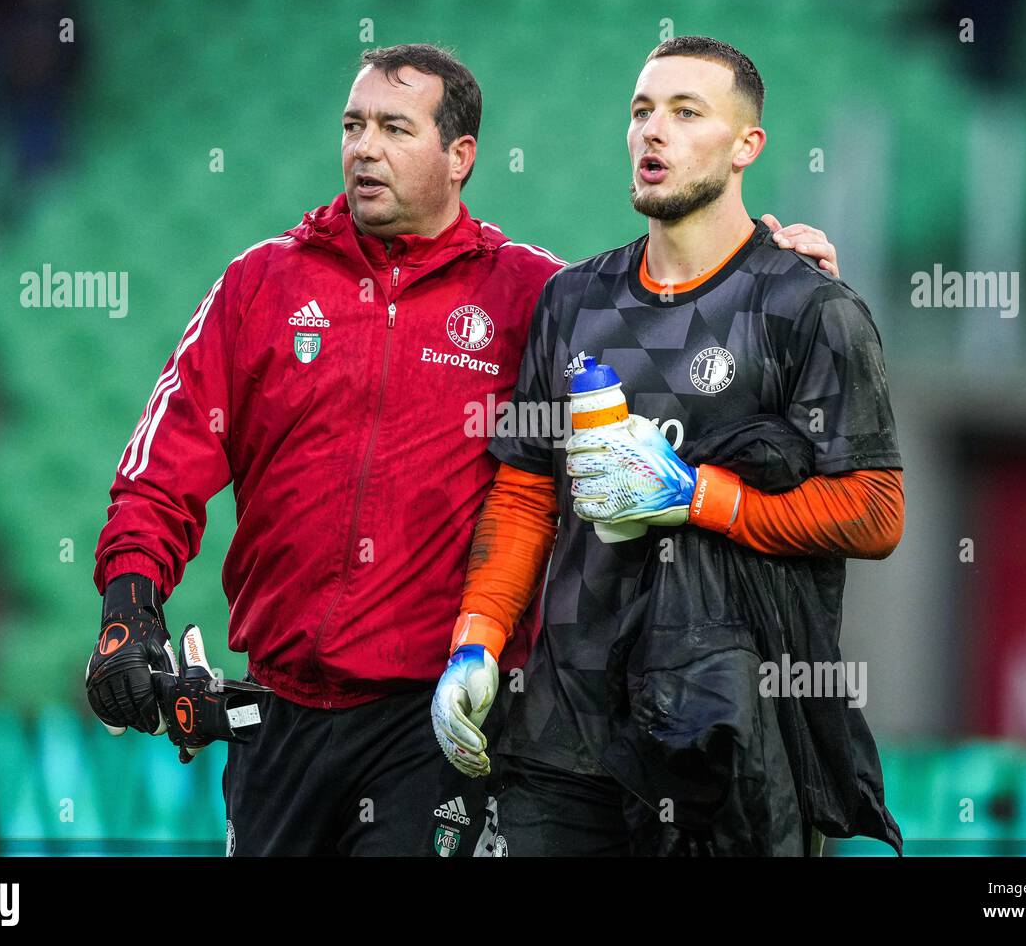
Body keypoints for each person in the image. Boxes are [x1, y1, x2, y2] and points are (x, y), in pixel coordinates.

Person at [85, 42, 841, 856]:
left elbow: (684, 367)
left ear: (460, 157)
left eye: (394, 129)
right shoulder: (259, 285)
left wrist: (770, 286)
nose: (364, 148)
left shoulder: (535, 296)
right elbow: (160, 471)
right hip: (277, 716)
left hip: (438, 720)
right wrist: (129, 607)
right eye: (353, 125)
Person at [431, 36, 903, 855]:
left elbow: (875, 510)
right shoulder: (573, 300)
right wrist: (476, 638)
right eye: (642, 111)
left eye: (687, 113)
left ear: (747, 145)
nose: (655, 131)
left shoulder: (809, 309)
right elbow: (525, 492)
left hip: (725, 736)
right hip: (563, 732)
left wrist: (698, 498)